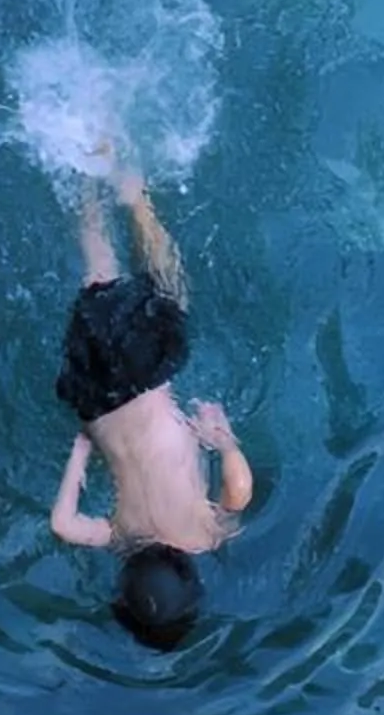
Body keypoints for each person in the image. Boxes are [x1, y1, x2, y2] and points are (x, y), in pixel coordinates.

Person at [49, 167, 254, 649]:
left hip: (144, 377)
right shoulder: (118, 538)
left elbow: (240, 489)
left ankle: (135, 197)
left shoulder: (205, 535)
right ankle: (85, 180)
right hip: (94, 401)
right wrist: (81, 448)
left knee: (168, 291)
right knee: (97, 268)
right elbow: (61, 524)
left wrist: (224, 442)